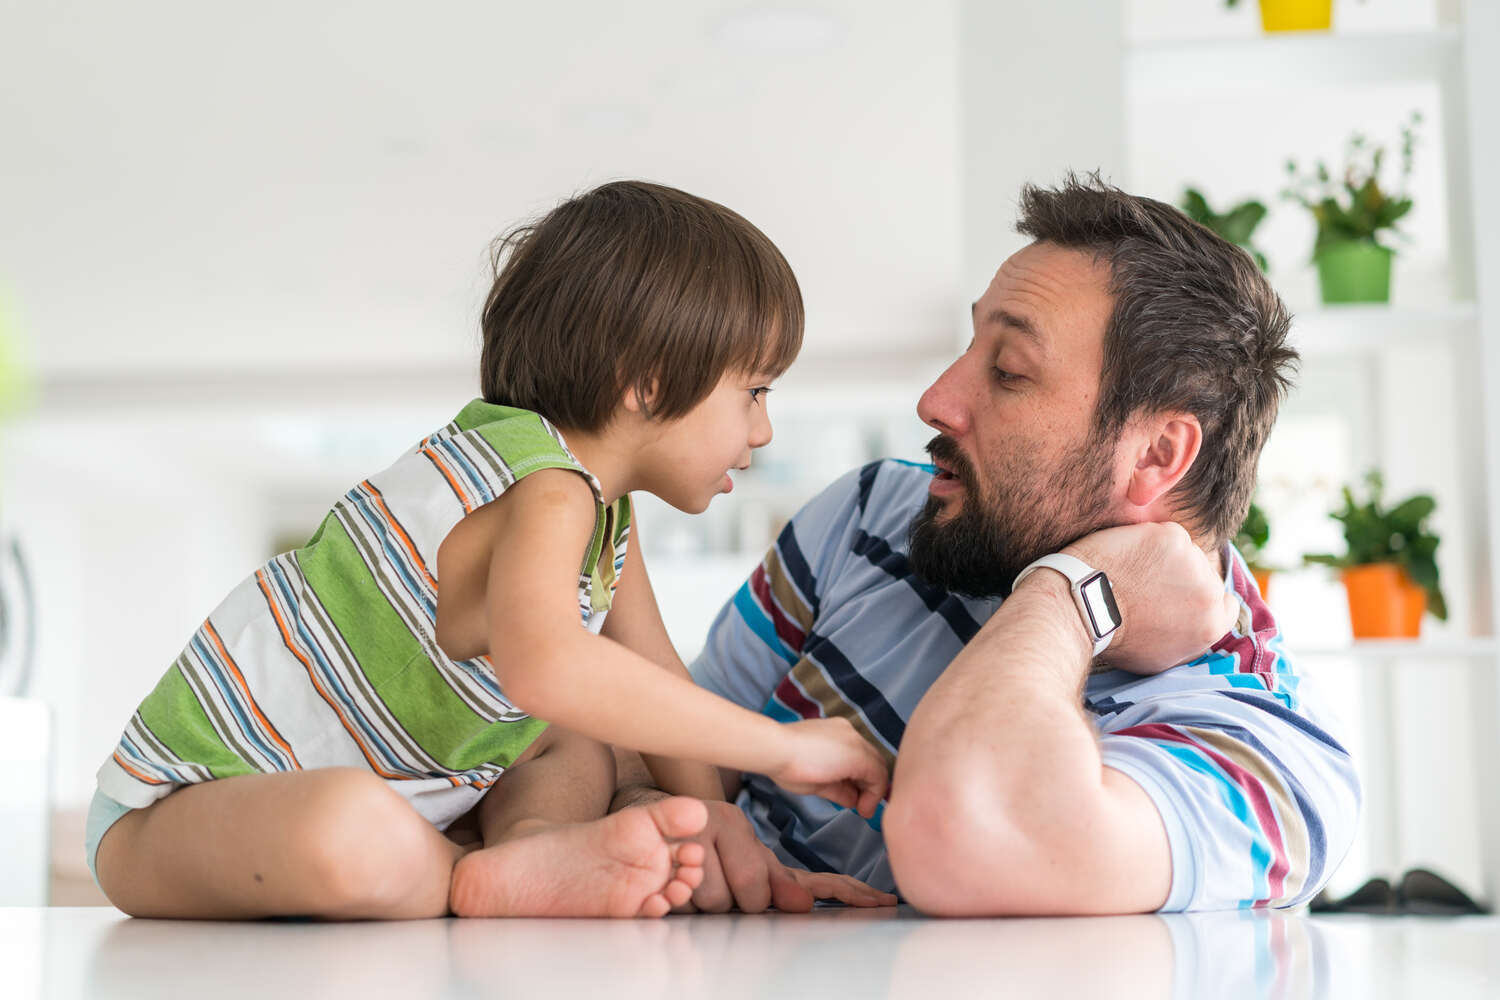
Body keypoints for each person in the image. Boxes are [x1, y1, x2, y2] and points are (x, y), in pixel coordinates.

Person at [87, 180, 893, 921]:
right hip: (176, 816)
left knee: (577, 735)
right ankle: (479, 876)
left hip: (392, 789)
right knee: (352, 827)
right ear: (648, 382)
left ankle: (532, 845)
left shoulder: (601, 511)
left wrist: (729, 835)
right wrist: (785, 746)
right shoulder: (542, 486)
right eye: (753, 391)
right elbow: (547, 666)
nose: (763, 429)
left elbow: (648, 676)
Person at [613, 174, 1362, 915]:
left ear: (1158, 455)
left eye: (1007, 372)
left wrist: (1072, 594)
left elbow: (965, 834)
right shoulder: (876, 513)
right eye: (970, 349)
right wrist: (667, 819)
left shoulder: (1267, 753)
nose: (935, 400)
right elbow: (659, 751)